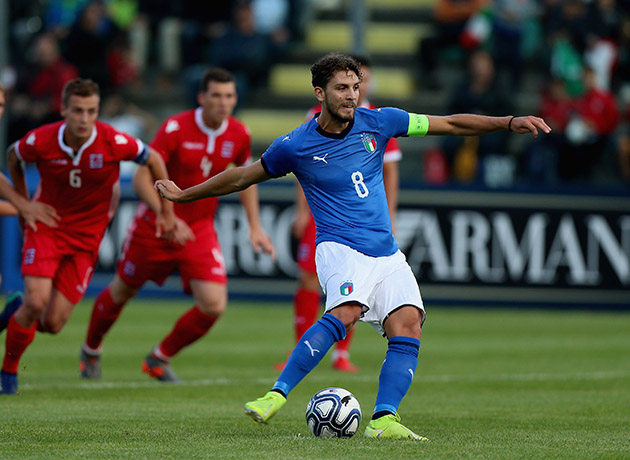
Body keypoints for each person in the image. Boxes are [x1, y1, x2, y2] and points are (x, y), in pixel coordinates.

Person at [155, 53, 551, 440]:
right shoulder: (294, 145)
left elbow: (448, 123)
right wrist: (186, 194)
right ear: (319, 93)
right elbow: (241, 177)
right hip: (339, 248)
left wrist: (508, 121)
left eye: (356, 86)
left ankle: (383, 419)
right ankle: (274, 396)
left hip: (386, 251)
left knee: (408, 323)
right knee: (345, 313)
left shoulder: (380, 122)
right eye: (341, 88)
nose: (351, 95)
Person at [79, 68, 276, 382]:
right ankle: (90, 350)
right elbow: (144, 176)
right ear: (202, 97)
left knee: (213, 304)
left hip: (198, 230)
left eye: (229, 96)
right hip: (155, 226)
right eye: (216, 95)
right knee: (121, 292)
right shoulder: (175, 128)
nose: (223, 102)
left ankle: (159, 358)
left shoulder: (239, 133)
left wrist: (255, 226)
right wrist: (165, 213)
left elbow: (245, 179)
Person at [0, 78, 175, 395]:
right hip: (48, 228)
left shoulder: (113, 141)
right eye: (77, 111)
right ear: (64, 109)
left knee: (52, 323)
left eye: (91, 111)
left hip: (85, 240)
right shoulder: (41, 140)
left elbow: (153, 159)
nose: (84, 119)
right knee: (37, 301)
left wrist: (166, 209)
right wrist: (24, 204)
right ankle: (8, 375)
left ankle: (15, 309)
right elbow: (14, 157)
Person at [276, 54, 402, 373]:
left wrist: (391, 216)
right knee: (306, 278)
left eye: (363, 82)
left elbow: (390, 173)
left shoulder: (377, 119)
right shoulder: (316, 116)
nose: (358, 89)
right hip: (321, 211)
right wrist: (301, 211)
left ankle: (340, 355)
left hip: (362, 217)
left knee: (354, 287)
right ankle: (299, 349)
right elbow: (299, 165)